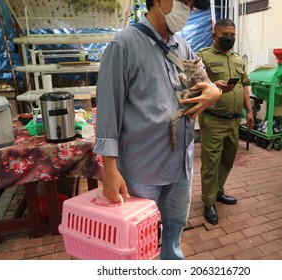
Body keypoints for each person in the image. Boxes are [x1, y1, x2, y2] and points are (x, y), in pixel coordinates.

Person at [93, 0, 221, 260]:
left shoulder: (182, 45)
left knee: (174, 231)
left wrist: (214, 93)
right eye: (183, 1)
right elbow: (108, 110)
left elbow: (206, 84)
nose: (187, 8)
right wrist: (109, 169)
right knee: (141, 239)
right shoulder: (123, 46)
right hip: (143, 169)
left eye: (189, 3)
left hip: (180, 167)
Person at [197, 18, 254, 225]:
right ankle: (208, 201)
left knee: (228, 159)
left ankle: (218, 191)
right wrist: (213, 84)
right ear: (215, 36)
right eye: (225, 35)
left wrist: (249, 111)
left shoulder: (239, 60)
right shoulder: (203, 56)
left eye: (232, 35)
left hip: (234, 120)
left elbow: (244, 86)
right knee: (211, 163)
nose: (229, 38)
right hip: (213, 119)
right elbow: (194, 83)